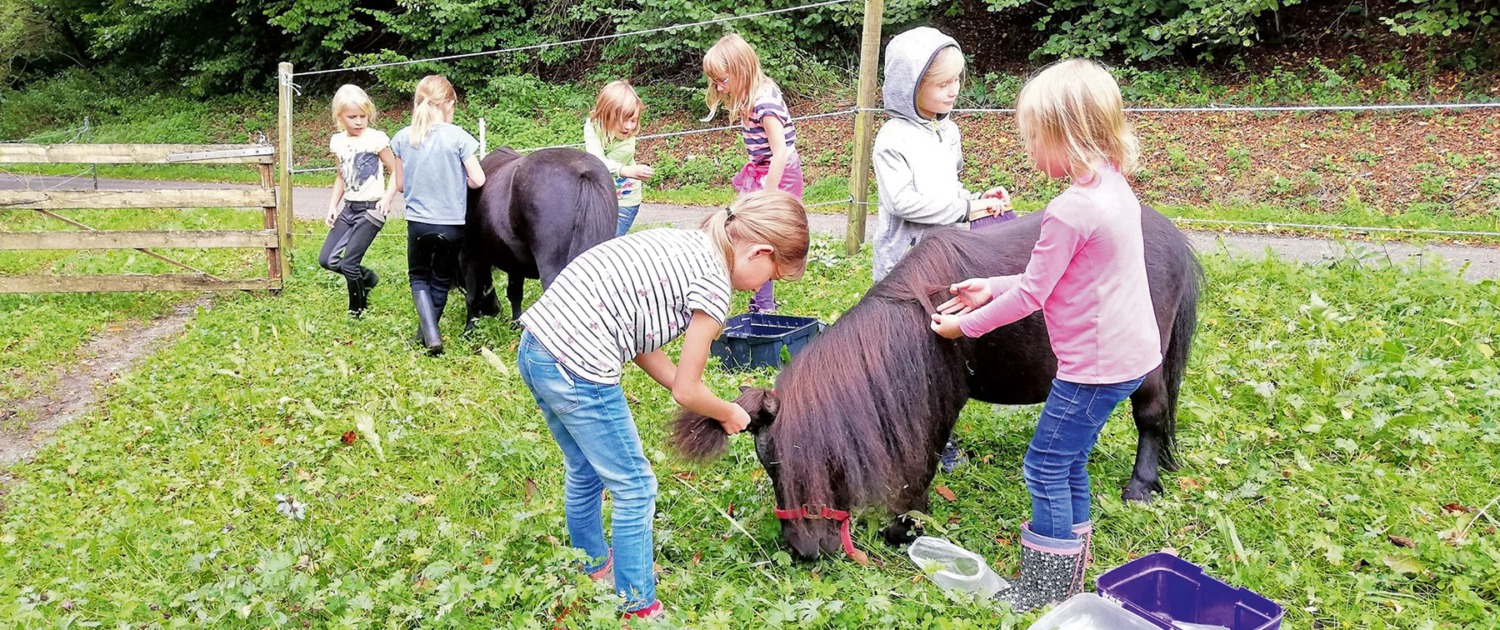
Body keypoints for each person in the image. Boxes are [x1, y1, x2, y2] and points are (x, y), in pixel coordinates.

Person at [929, 59, 1160, 613]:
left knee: (1045, 465)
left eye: (1034, 136)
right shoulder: (1112, 187)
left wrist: (964, 324)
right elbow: (1056, 277)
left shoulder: (1069, 211)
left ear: (1066, 133)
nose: (1029, 150)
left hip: (1093, 366)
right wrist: (992, 284)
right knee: (1070, 458)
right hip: (1130, 358)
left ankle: (1046, 588)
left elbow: (1033, 296)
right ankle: (1071, 567)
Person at [516, 190, 809, 620]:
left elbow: (637, 338)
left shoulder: (687, 245)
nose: (764, 286)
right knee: (636, 487)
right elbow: (687, 393)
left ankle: (592, 567)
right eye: (771, 275)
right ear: (759, 252)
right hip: (578, 366)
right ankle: (638, 606)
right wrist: (727, 411)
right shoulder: (713, 286)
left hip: (539, 349)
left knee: (585, 468)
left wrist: (696, 388)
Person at [874, 27, 1013, 471]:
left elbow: (948, 189)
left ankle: (940, 432)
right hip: (906, 266)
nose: (953, 90)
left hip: (946, 259)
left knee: (943, 348)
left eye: (957, 80)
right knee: (908, 356)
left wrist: (978, 200)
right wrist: (965, 206)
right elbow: (904, 202)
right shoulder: (892, 140)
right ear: (910, 85)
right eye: (941, 83)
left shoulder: (947, 131)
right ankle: (908, 431)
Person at [702, 33, 801, 313]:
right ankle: (758, 297)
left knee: (761, 235)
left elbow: (780, 152)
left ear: (741, 69)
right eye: (715, 82)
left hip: (779, 172)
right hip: (761, 169)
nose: (720, 88)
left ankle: (764, 305)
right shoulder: (749, 97)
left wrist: (767, 197)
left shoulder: (763, 102)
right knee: (742, 230)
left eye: (723, 80)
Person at [389, 75, 485, 355]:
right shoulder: (459, 137)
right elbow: (478, 179)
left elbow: (401, 184)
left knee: (418, 278)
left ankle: (430, 336)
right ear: (450, 104)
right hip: (453, 224)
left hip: (418, 223)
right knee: (441, 280)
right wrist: (459, 182)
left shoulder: (403, 137)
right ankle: (427, 335)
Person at [318, 84, 401, 318]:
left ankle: (357, 310)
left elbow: (396, 169)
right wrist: (332, 206)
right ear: (339, 117)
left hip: (371, 209)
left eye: (362, 116)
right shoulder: (337, 142)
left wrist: (387, 197)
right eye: (352, 117)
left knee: (349, 264)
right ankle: (367, 279)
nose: (358, 121)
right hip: (349, 208)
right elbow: (341, 175)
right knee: (326, 259)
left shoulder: (376, 139)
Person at [584, 80, 655, 236]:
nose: (629, 127)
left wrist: (626, 171)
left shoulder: (627, 142)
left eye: (634, 120)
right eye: (624, 119)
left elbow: (598, 164)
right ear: (606, 114)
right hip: (600, 196)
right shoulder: (592, 126)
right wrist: (625, 170)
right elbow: (596, 158)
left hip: (624, 201)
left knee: (609, 241)